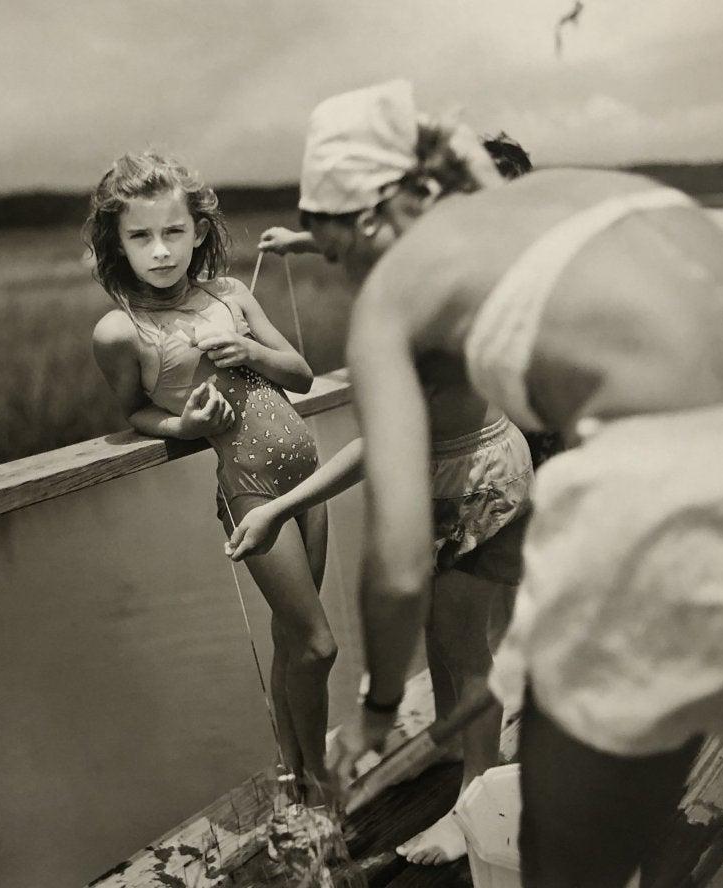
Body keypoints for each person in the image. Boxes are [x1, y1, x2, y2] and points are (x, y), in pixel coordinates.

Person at [302, 80, 723, 887]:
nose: (346, 275)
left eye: (336, 250)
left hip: (661, 509)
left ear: (370, 217)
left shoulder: (394, 298)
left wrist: (374, 713)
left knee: (569, 852)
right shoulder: (602, 194)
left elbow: (400, 565)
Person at [227, 130, 541, 865]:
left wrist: (278, 505)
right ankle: (456, 752)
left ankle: (472, 804)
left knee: (466, 654)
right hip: (439, 476)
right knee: (441, 633)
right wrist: (304, 241)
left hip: (477, 484)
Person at [85, 152, 336, 795]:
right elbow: (136, 413)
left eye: (173, 231)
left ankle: (296, 782)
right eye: (140, 236)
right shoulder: (123, 329)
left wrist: (251, 350)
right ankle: (322, 781)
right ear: (117, 243)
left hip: (308, 479)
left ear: (198, 230)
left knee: (292, 642)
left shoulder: (230, 293)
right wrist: (187, 429)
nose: (160, 250)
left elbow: (302, 374)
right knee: (319, 647)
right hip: (251, 491)